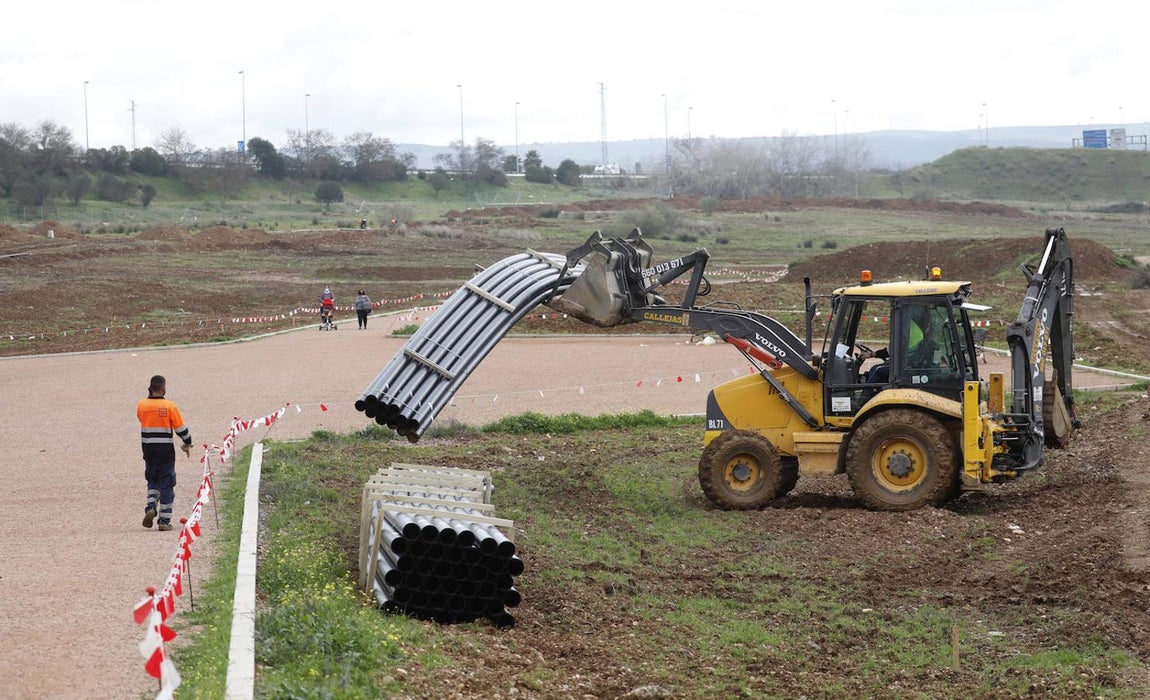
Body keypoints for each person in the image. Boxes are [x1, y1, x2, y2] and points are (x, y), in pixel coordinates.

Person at [137, 375, 193, 531]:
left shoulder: (142, 405)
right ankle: (164, 520)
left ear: (150, 387)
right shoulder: (169, 406)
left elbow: (141, 420)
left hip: (149, 452)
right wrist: (188, 441)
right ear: (163, 388)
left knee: (152, 481)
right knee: (167, 485)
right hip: (165, 452)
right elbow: (181, 429)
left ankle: (150, 507)